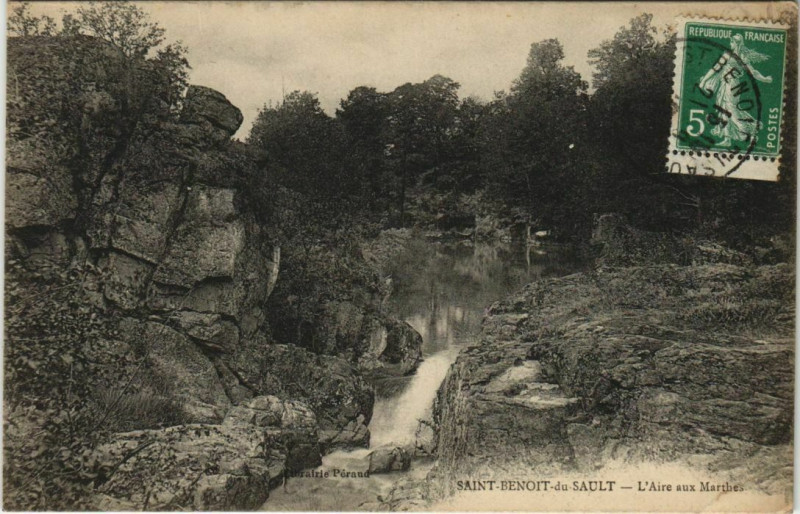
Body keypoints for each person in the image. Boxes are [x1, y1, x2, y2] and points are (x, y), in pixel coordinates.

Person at [697, 33, 772, 147]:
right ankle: (727, 139)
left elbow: (752, 72)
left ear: (737, 43)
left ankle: (752, 131)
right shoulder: (727, 54)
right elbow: (716, 68)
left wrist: (764, 79)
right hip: (724, 84)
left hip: (733, 86)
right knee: (723, 110)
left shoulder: (742, 57)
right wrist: (703, 81)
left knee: (732, 111)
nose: (730, 43)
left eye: (732, 42)